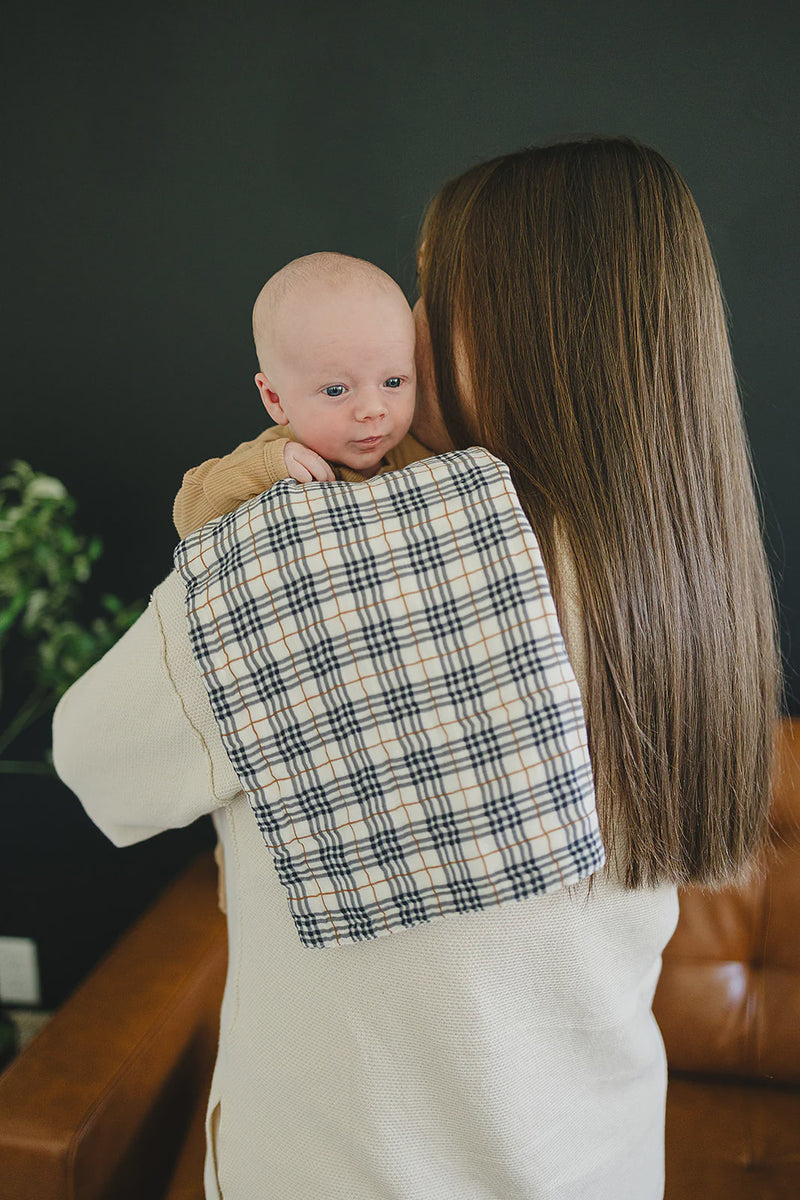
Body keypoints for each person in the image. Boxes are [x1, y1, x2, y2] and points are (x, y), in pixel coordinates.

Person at [52, 137, 780, 1199]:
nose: (406, 334)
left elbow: (91, 756)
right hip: (600, 1166)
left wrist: (258, 496)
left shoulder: (312, 557)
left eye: (431, 297)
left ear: (499, 328)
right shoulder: (692, 586)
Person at [172, 250, 431, 540]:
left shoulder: (417, 454)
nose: (373, 409)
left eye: (393, 382)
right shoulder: (273, 455)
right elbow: (189, 513)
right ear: (275, 399)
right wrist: (271, 466)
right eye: (336, 390)